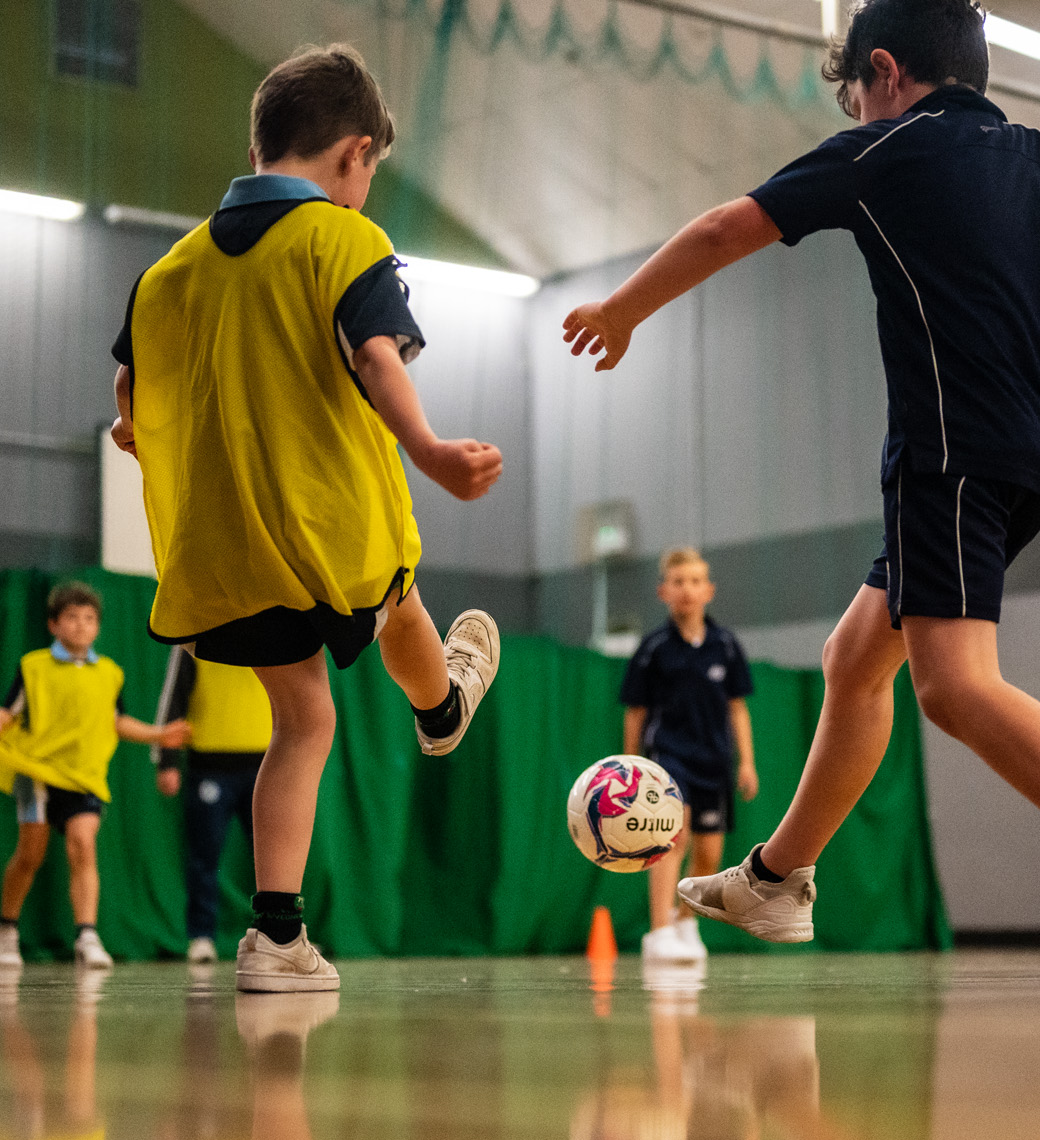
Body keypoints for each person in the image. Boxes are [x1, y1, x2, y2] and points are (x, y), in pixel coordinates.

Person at [564, 0, 1040, 943]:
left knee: (952, 688)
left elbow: (720, 228)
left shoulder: (886, 148)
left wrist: (620, 310)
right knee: (855, 659)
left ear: (886, 73)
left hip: (955, 449)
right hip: (1023, 448)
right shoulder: (1031, 153)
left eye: (857, 95)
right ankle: (777, 876)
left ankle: (778, 877)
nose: (856, 114)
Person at [110, 44, 503, 992]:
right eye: (372, 173)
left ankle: (275, 938)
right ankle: (442, 706)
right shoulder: (343, 240)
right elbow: (377, 354)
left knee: (303, 722)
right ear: (355, 155)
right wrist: (431, 449)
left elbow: (129, 378)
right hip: (326, 529)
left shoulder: (172, 267)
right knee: (394, 590)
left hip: (221, 552)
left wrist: (132, 427)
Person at [0, 582, 191, 969]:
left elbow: (116, 721)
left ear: (98, 627)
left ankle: (87, 936)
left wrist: (158, 734)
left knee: (83, 844)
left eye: (89, 618)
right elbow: (7, 714)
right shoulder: (32, 666)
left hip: (86, 778)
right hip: (35, 774)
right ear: (53, 624)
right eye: (71, 617)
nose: (81, 625)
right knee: (29, 855)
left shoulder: (110, 673)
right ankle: (7, 930)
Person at [621, 549, 758, 963]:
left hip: (714, 762)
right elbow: (635, 711)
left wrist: (747, 762)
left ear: (709, 590)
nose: (688, 589)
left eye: (696, 581)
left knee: (710, 853)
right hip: (668, 756)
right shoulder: (654, 647)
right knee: (671, 837)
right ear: (664, 591)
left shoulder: (726, 645)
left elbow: (737, 706)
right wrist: (632, 766)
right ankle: (658, 931)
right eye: (679, 581)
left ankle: (685, 922)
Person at [153, 649, 273, 964]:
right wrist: (167, 760)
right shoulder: (191, 637)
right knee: (204, 857)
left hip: (267, 766)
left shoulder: (275, 631)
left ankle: (280, 932)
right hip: (209, 767)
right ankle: (201, 936)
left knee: (275, 856)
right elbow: (173, 698)